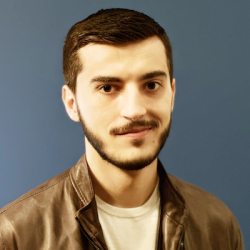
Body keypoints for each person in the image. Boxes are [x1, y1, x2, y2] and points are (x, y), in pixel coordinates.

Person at [0, 8, 244, 250]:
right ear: (72, 104)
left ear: (172, 95)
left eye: (151, 85)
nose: (135, 109)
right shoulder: (14, 235)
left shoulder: (218, 224)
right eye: (108, 88)